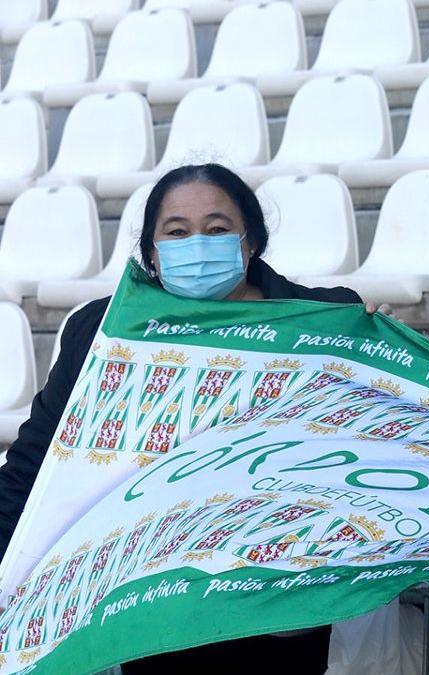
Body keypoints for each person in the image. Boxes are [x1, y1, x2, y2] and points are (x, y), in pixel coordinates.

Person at [0, 164, 362, 673]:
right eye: (177, 232)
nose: (197, 243)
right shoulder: (104, 333)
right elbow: (37, 464)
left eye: (217, 229)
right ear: (151, 252)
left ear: (249, 242)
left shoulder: (324, 322)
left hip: (274, 601)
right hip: (150, 602)